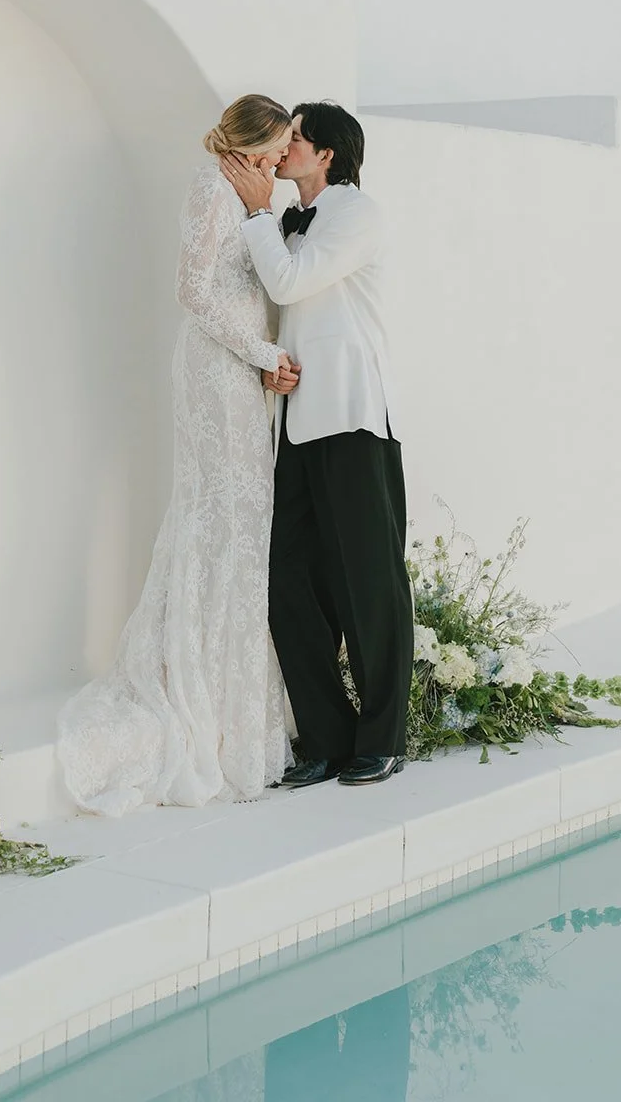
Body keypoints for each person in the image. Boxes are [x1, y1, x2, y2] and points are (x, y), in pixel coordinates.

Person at [57, 95, 298, 815]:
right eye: (282, 143)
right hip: (212, 369)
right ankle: (197, 697)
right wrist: (260, 350)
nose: (288, 156)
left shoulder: (256, 191)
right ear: (257, 142)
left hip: (240, 367)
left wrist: (265, 355)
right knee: (221, 518)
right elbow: (192, 289)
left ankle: (240, 708)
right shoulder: (208, 186)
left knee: (245, 523)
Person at [221, 101, 412, 788]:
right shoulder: (291, 224)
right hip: (298, 421)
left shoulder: (356, 214)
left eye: (295, 138)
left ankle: (383, 736)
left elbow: (290, 281)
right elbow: (289, 307)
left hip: (354, 420)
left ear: (327, 154)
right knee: (289, 582)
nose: (283, 148)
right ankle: (325, 738)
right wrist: (269, 359)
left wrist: (253, 215)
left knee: (369, 586)